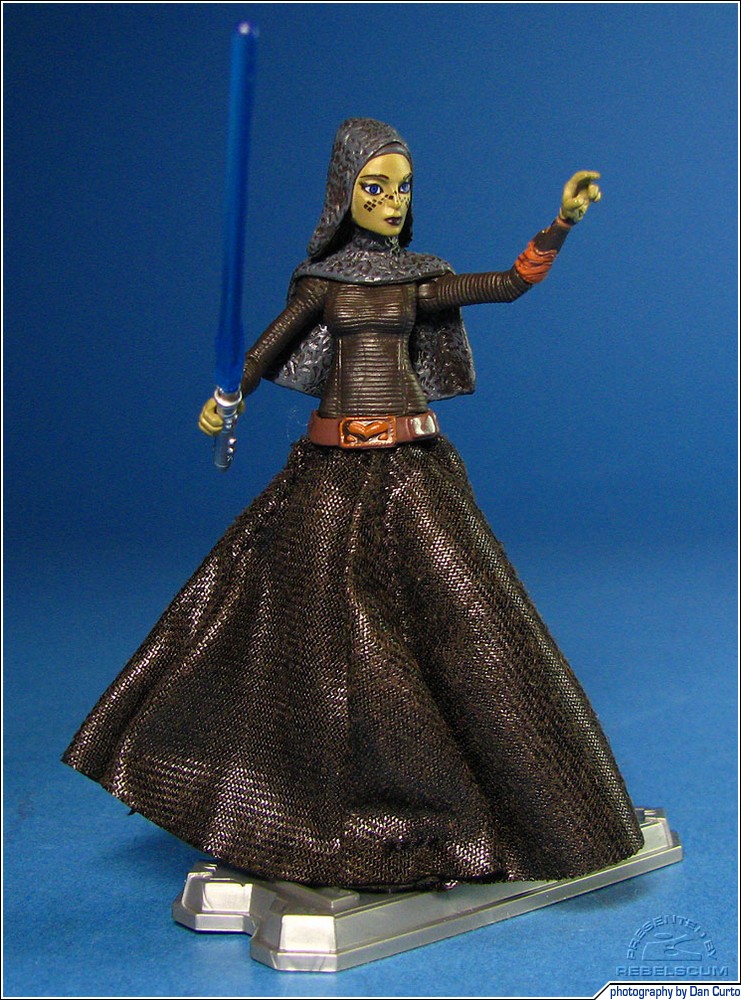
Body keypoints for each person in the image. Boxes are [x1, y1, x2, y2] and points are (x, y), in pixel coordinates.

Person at [63, 118, 643, 891]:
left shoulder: (416, 280)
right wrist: (228, 396)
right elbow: (266, 348)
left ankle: (521, 808)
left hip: (412, 466)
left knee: (470, 614)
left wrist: (559, 223)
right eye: (375, 188)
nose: (392, 202)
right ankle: (295, 804)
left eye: (402, 189)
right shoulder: (322, 283)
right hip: (331, 469)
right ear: (345, 194)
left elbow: (509, 283)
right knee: (291, 619)